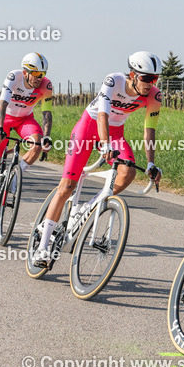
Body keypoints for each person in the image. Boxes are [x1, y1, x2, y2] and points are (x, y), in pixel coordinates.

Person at [31, 51, 164, 266]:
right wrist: (105, 144)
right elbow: (102, 114)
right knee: (66, 187)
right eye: (147, 78)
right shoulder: (114, 81)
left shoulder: (154, 96)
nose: (151, 83)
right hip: (89, 127)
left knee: (128, 172)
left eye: (155, 79)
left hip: (116, 133)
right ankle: (43, 247)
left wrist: (150, 163)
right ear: (132, 74)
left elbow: (149, 130)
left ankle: (90, 206)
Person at [0, 53, 54, 225]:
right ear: (25, 72)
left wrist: (46, 137)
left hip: (25, 120)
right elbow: (2, 105)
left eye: (43, 74)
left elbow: (47, 113)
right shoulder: (13, 77)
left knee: (38, 142)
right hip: (6, 119)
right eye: (37, 74)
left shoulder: (46, 85)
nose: (40, 78)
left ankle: (15, 176)